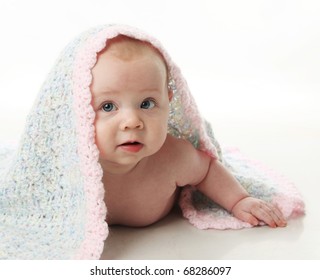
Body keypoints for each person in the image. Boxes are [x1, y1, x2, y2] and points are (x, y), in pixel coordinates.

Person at [90, 35, 287, 228]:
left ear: (168, 102)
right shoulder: (67, 168)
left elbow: (207, 170)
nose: (132, 122)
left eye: (147, 103)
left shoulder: (172, 156)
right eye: (108, 106)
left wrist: (239, 201)